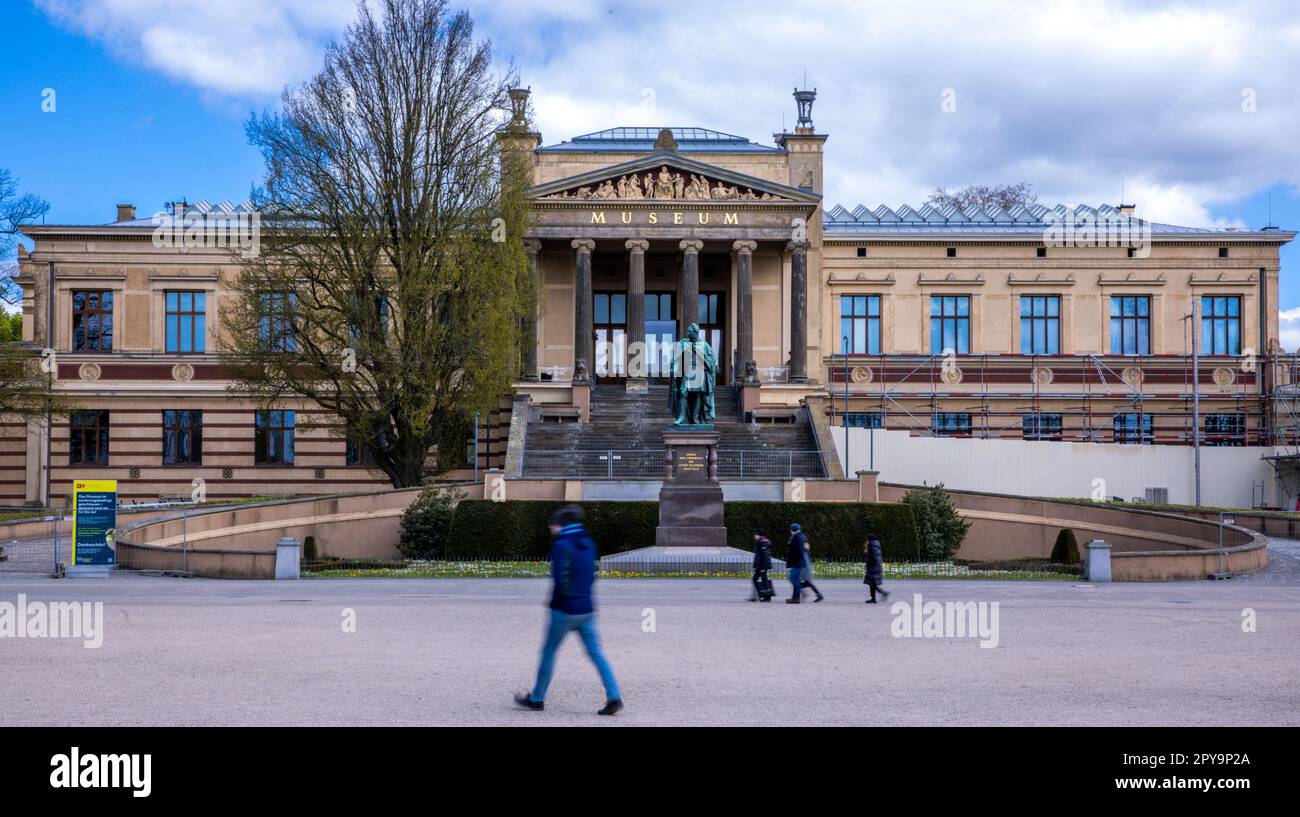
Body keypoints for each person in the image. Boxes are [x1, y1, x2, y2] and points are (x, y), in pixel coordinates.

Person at [515, 505, 623, 716]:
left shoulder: (561, 545)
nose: (551, 529)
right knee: (597, 653)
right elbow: (592, 574)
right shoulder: (588, 543)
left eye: (552, 525)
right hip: (587, 608)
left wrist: (558, 602)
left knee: (549, 653)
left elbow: (559, 579)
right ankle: (614, 696)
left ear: (560, 525)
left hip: (564, 610)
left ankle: (537, 698)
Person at [784, 523, 823, 604]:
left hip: (803, 561)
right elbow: (806, 548)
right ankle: (800, 594)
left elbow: (802, 550)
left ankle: (800, 595)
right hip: (804, 561)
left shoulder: (798, 537)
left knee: (800, 580)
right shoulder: (803, 537)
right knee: (804, 580)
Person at [864, 531, 889, 603]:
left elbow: (873, 555)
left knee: (872, 583)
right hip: (876, 566)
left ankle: (883, 594)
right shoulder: (876, 544)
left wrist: (870, 562)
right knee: (872, 583)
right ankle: (874, 598)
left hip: (873, 566)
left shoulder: (871, 545)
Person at [749, 530, 774, 602]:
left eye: (755, 535)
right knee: (757, 579)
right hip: (760, 565)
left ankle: (766, 597)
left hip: (762, 566)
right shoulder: (760, 542)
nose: (754, 536)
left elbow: (766, 555)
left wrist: (764, 567)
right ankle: (759, 595)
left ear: (759, 535)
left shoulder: (762, 542)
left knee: (763, 580)